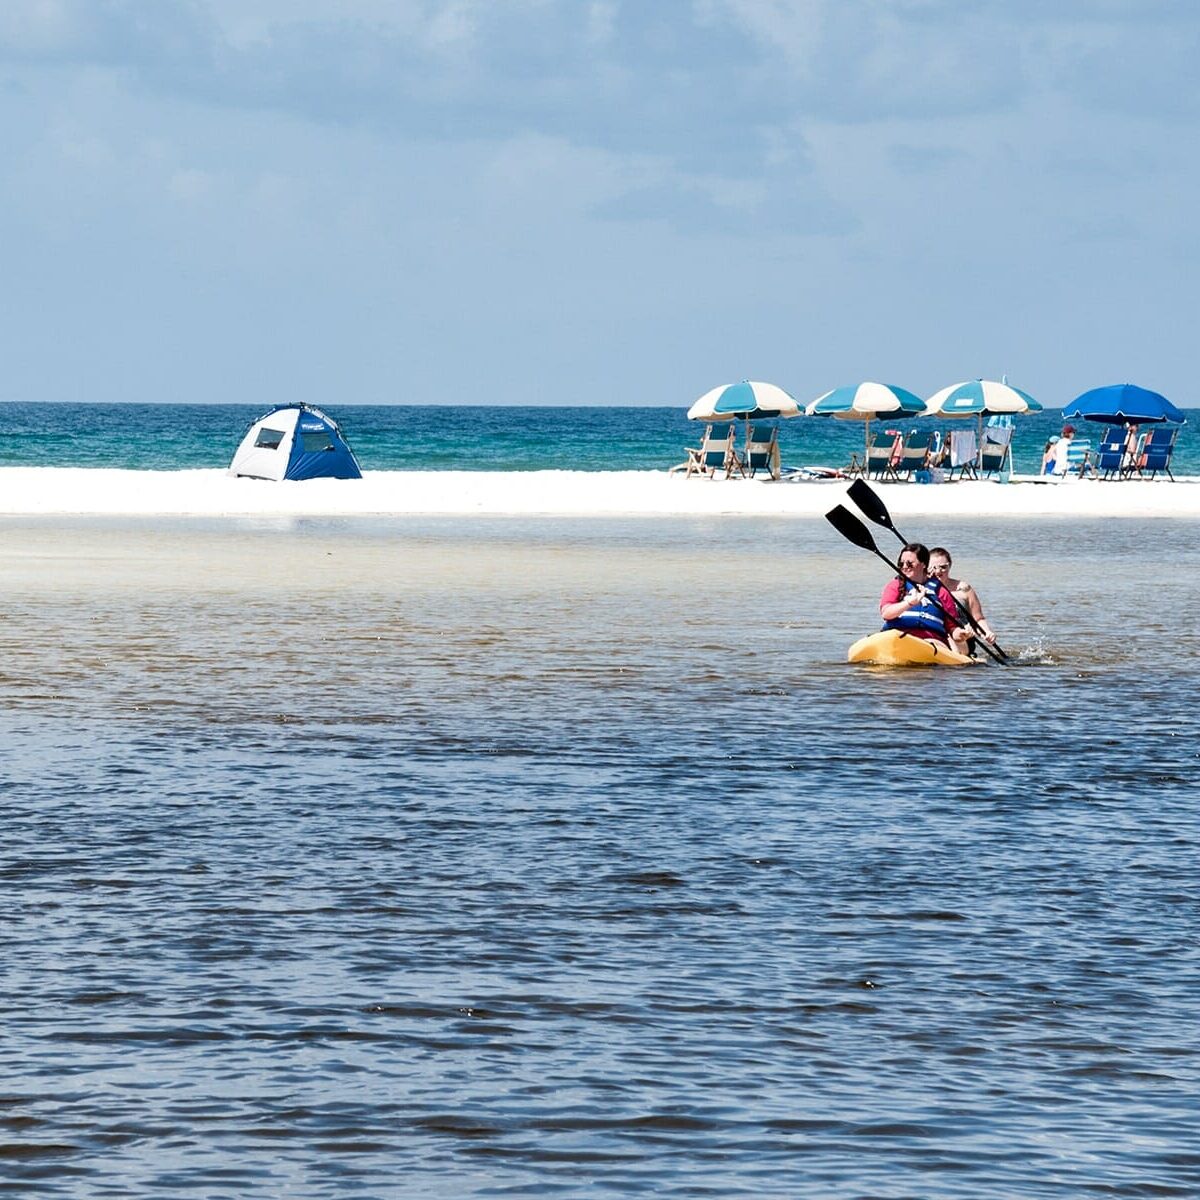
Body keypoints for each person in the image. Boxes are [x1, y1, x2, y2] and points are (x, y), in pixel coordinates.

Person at [879, 542, 969, 655]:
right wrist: (909, 603)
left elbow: (951, 628)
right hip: (896, 635)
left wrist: (959, 634)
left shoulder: (941, 591)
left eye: (909, 563)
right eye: (901, 563)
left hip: (930, 640)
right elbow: (886, 614)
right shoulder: (895, 585)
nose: (905, 567)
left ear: (923, 564)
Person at [929, 547, 995, 656]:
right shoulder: (921, 588)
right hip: (935, 634)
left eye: (943, 567)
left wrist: (987, 632)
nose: (938, 571)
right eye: (933, 567)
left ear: (950, 566)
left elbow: (978, 619)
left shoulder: (964, 589)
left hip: (962, 637)